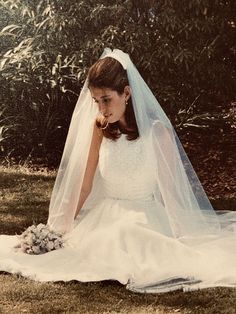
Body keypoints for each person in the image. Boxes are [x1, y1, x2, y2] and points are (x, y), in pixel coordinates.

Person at [0, 48, 236, 293]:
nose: (101, 108)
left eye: (106, 99)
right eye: (96, 101)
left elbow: (170, 190)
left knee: (131, 234)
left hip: (147, 216)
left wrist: (182, 234)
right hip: (106, 216)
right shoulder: (99, 128)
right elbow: (85, 185)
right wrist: (58, 229)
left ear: (127, 93)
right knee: (106, 240)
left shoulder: (156, 133)